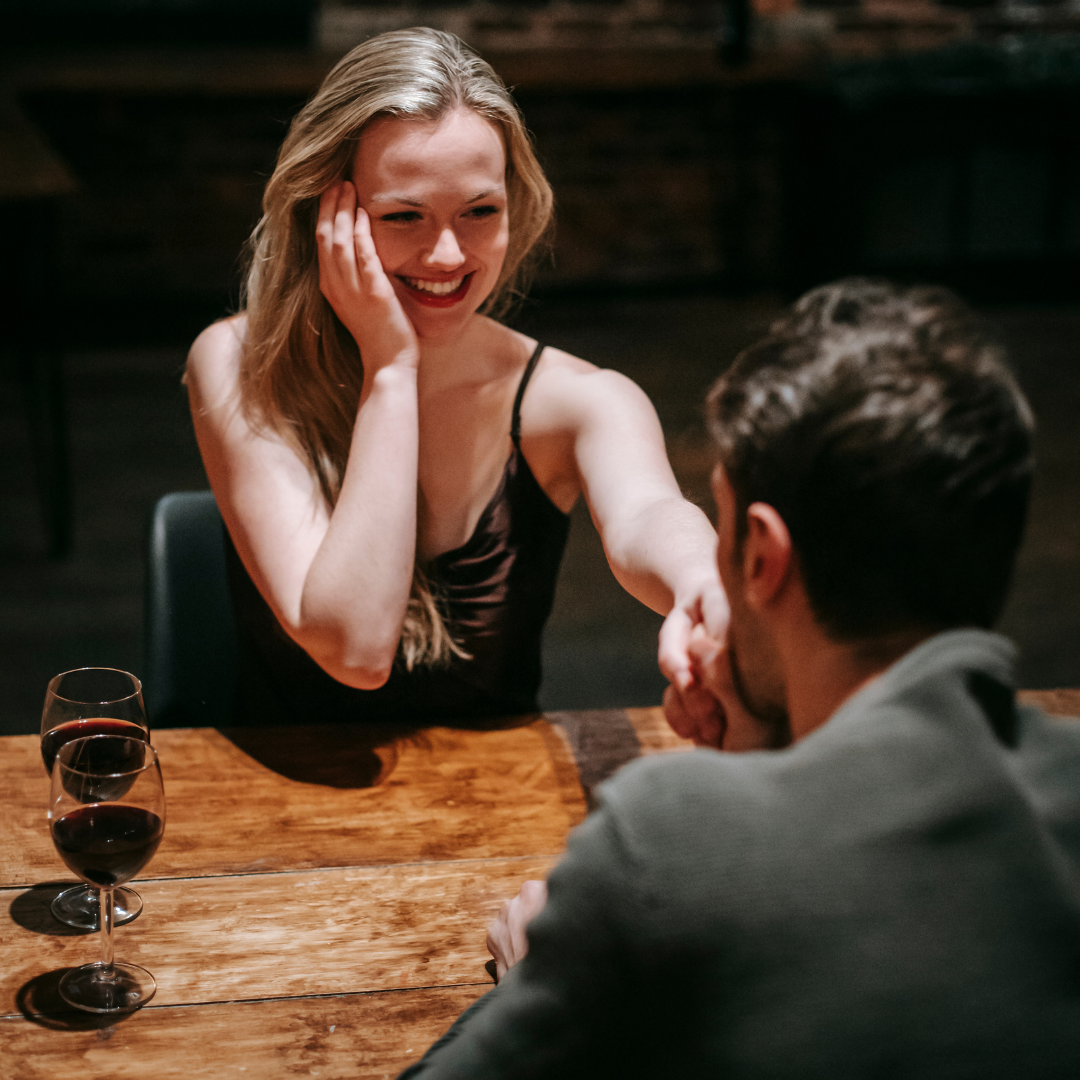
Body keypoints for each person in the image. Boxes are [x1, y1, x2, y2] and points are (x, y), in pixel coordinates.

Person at [398, 279, 1080, 1078]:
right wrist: (764, 745)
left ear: (761, 555)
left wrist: (536, 984)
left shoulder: (670, 842)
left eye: (718, 528)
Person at [185, 28, 724, 726]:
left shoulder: (580, 398)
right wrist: (391, 370)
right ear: (324, 215)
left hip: (501, 812)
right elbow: (355, 649)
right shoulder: (235, 362)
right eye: (404, 216)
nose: (447, 255)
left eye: (480, 212)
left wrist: (704, 584)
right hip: (282, 809)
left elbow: (650, 514)